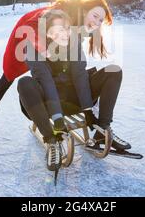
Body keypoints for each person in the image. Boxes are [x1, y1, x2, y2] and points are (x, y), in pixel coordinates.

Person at [0, 0, 114, 137]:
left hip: (48, 44)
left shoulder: (82, 21)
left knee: (68, 68)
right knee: (8, 76)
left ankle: (82, 104)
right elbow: (29, 27)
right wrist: (42, 49)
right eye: (95, 16)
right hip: (24, 42)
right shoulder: (58, 13)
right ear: (85, 10)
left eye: (100, 20)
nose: (97, 22)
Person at [17, 9, 131, 172]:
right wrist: (57, 118)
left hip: (74, 97)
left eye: (64, 29)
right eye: (54, 31)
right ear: (47, 34)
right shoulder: (33, 49)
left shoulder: (73, 41)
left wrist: (87, 110)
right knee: (24, 83)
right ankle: (52, 141)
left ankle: (102, 129)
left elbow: (79, 74)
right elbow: (47, 83)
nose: (62, 35)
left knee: (113, 71)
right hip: (48, 104)